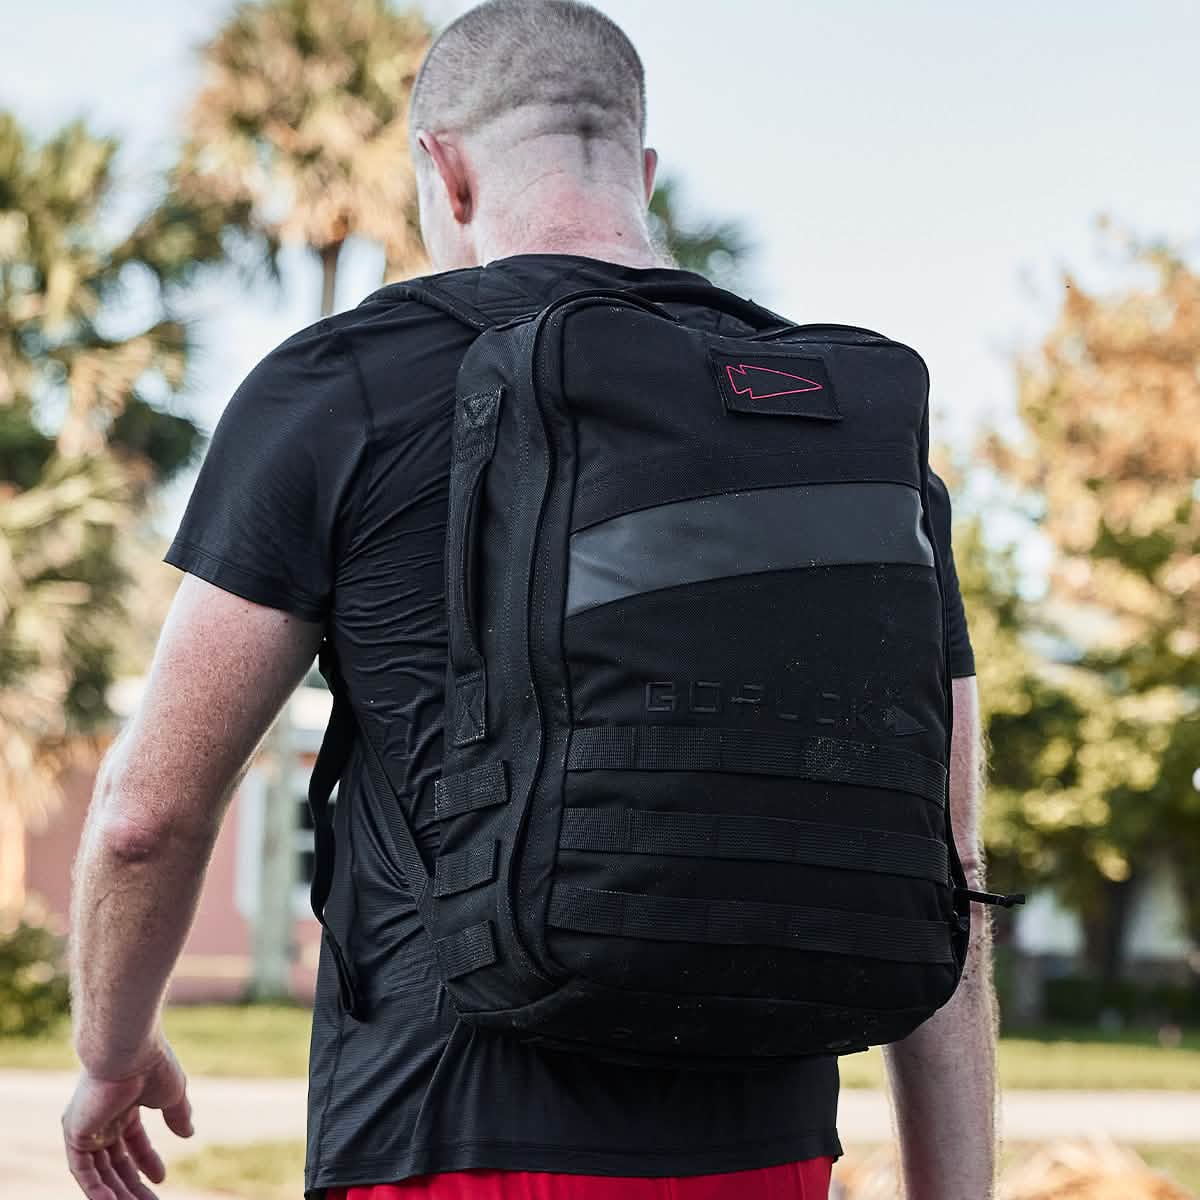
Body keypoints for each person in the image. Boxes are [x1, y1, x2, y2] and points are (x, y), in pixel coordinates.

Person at [61, 2, 996, 1198]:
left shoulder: (343, 383)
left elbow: (148, 817)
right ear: (643, 170)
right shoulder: (837, 423)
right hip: (767, 1148)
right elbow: (949, 861)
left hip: (448, 1138)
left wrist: (112, 1049)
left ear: (442, 169)